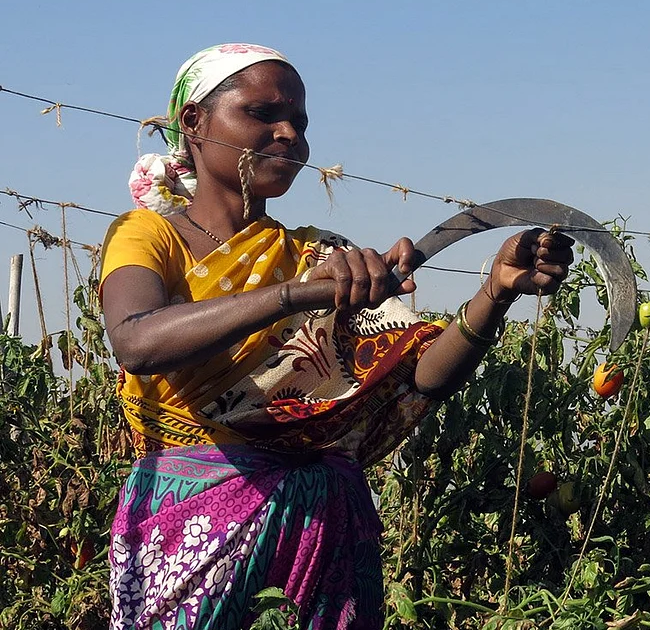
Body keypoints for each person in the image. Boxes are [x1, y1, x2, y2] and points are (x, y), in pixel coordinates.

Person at [100, 43, 574, 629]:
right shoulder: (148, 235)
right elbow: (136, 341)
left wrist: (495, 293)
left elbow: (418, 380)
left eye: (299, 122)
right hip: (195, 523)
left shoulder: (314, 253)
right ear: (194, 122)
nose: (288, 135)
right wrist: (300, 295)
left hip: (323, 526)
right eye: (262, 114)